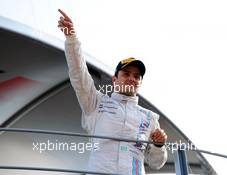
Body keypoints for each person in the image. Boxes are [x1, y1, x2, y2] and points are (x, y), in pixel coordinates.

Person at [57, 9, 168, 175]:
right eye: (126, 74)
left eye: (137, 76)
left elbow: (156, 163)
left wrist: (159, 146)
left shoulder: (150, 118)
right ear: (114, 79)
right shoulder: (96, 102)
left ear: (140, 83)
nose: (132, 78)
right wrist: (72, 39)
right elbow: (78, 74)